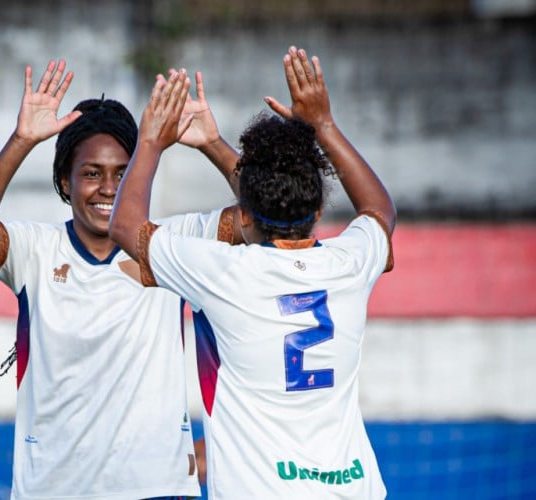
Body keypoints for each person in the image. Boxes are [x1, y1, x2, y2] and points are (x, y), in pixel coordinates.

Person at [109, 46, 396, 499]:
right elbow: (379, 209)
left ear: (242, 216)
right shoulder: (349, 265)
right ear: (320, 207)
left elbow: (125, 226)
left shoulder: (224, 272)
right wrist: (323, 125)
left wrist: (150, 141)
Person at [0, 59, 241, 499]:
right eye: (91, 173)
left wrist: (214, 144)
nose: (108, 188)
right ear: (64, 183)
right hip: (53, 489)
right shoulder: (35, 250)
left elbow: (266, 215)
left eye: (122, 173)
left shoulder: (172, 244)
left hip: (158, 489)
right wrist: (22, 140)